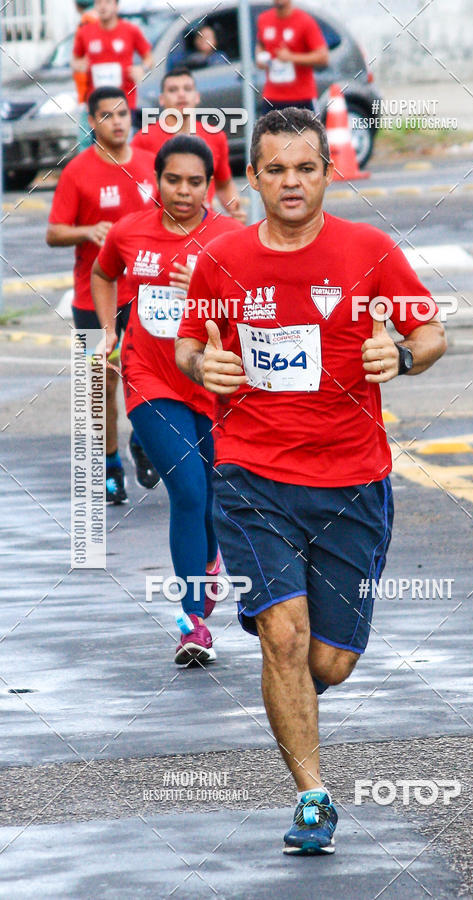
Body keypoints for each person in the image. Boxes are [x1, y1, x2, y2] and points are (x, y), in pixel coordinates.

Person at [176, 108, 447, 854]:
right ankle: (312, 797)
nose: (291, 182)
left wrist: (404, 354)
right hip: (251, 473)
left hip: (353, 480)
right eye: (275, 169)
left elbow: (431, 332)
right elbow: (186, 345)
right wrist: (204, 364)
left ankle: (284, 675)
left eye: (305, 168)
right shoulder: (221, 259)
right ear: (253, 177)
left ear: (328, 173)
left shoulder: (370, 249)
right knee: (286, 639)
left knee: (330, 660)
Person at [91, 135, 243, 662]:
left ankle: (207, 562)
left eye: (196, 182)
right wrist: (109, 331)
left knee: (211, 497)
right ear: (155, 180)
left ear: (209, 185)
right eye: (173, 179)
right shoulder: (130, 231)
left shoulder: (229, 236)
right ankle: (193, 623)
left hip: (211, 381)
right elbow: (102, 272)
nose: (183, 191)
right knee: (187, 490)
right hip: (149, 377)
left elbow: (254, 305)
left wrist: (204, 284)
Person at [47, 86, 160, 503]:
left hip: (147, 297)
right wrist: (87, 231)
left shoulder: (151, 167)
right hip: (92, 300)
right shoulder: (77, 171)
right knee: (101, 388)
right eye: (107, 115)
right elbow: (54, 232)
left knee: (150, 383)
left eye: (123, 113)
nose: (118, 121)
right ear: (92, 122)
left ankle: (144, 443)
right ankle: (110, 465)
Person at [132, 67, 245, 223]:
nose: (181, 94)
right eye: (173, 90)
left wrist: (234, 209)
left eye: (187, 89)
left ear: (197, 97)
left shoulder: (215, 136)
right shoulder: (144, 139)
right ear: (161, 99)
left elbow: (223, 184)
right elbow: (134, 192)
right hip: (164, 228)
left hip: (204, 228)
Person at [72, 0, 153, 112]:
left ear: (116, 6)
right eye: (99, 3)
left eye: (108, 2)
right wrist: (79, 65)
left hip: (125, 100)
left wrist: (142, 68)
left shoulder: (131, 30)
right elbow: (75, 60)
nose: (103, 6)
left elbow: (149, 58)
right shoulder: (85, 32)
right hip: (96, 102)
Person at [256, 0, 329, 115]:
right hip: (272, 97)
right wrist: (261, 58)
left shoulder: (305, 21)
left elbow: (323, 57)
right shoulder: (264, 19)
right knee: (267, 132)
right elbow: (261, 44)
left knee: (305, 132)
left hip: (301, 97)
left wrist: (291, 57)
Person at [73, 0, 98, 149]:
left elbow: (84, 60)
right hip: (92, 91)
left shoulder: (88, 20)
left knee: (86, 140)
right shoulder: (98, 18)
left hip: (91, 92)